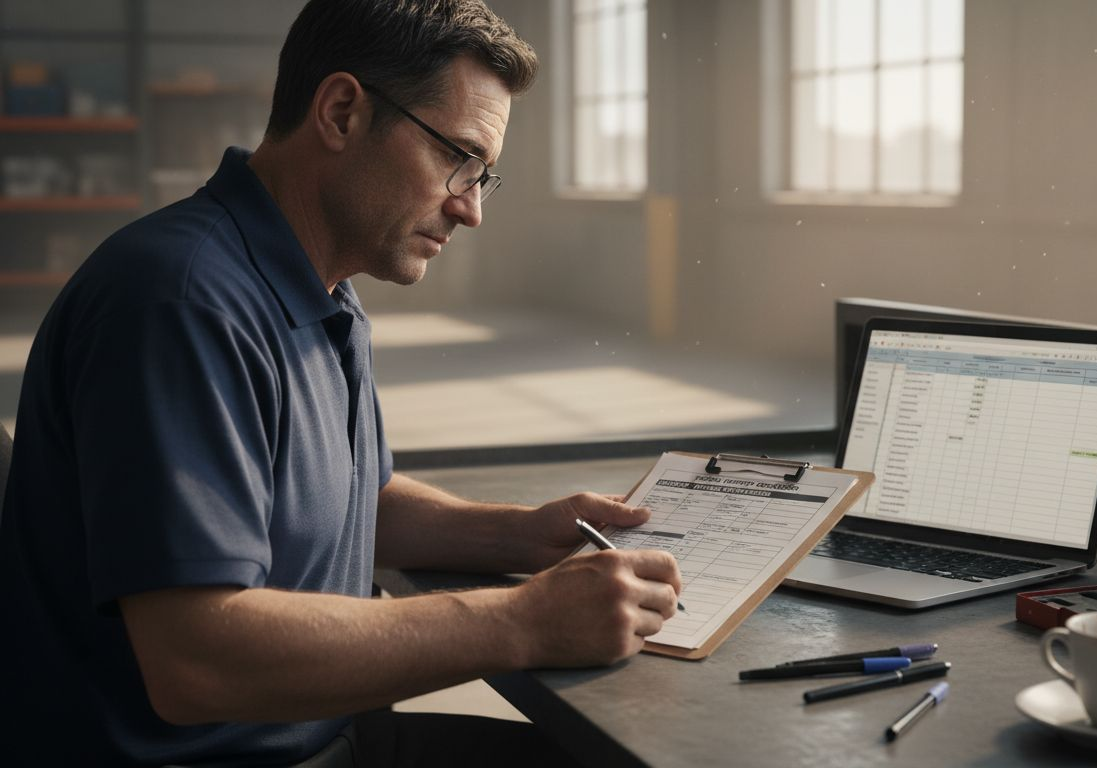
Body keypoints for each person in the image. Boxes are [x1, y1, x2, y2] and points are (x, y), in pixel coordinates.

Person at [0, 1, 682, 765]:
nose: (470, 209)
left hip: (318, 736)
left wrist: (521, 535)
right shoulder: (180, 302)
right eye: (458, 158)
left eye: (483, 175)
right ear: (341, 113)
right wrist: (523, 620)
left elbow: (350, 498)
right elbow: (195, 660)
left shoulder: (323, 288)